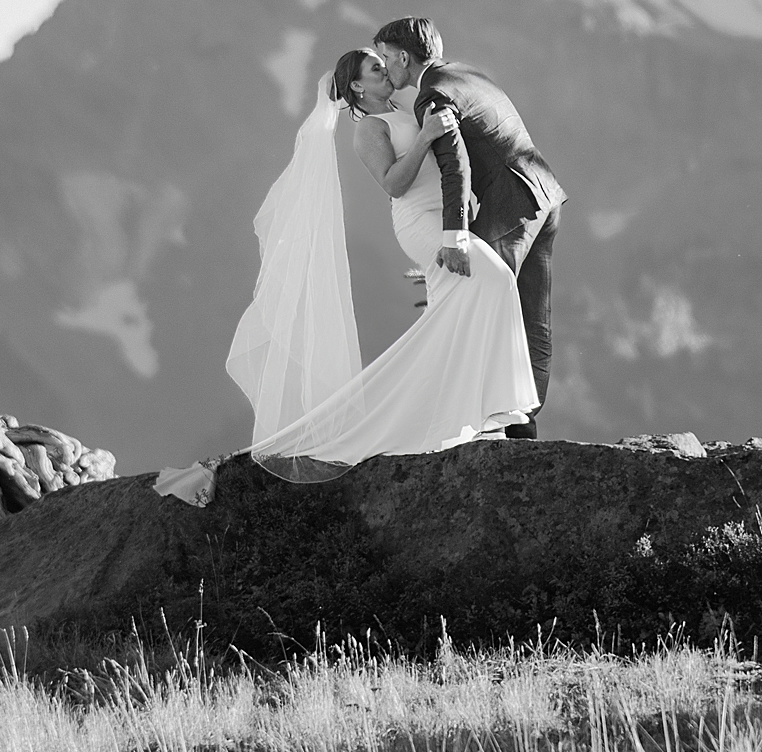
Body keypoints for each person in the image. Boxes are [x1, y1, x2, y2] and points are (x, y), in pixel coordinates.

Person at [154, 45, 537, 504]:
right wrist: (424, 138)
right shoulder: (369, 129)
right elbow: (393, 183)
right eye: (376, 68)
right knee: (494, 281)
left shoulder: (412, 108)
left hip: (450, 218)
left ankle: (474, 416)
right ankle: (495, 411)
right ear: (357, 86)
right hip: (421, 223)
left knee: (460, 312)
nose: (385, 70)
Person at [373, 18, 564, 440]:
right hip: (543, 195)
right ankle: (521, 424)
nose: (385, 68)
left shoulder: (432, 95)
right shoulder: (469, 75)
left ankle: (490, 421)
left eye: (386, 57)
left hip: (510, 206)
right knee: (532, 318)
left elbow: (454, 165)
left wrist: (456, 237)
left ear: (405, 56)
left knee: (481, 304)